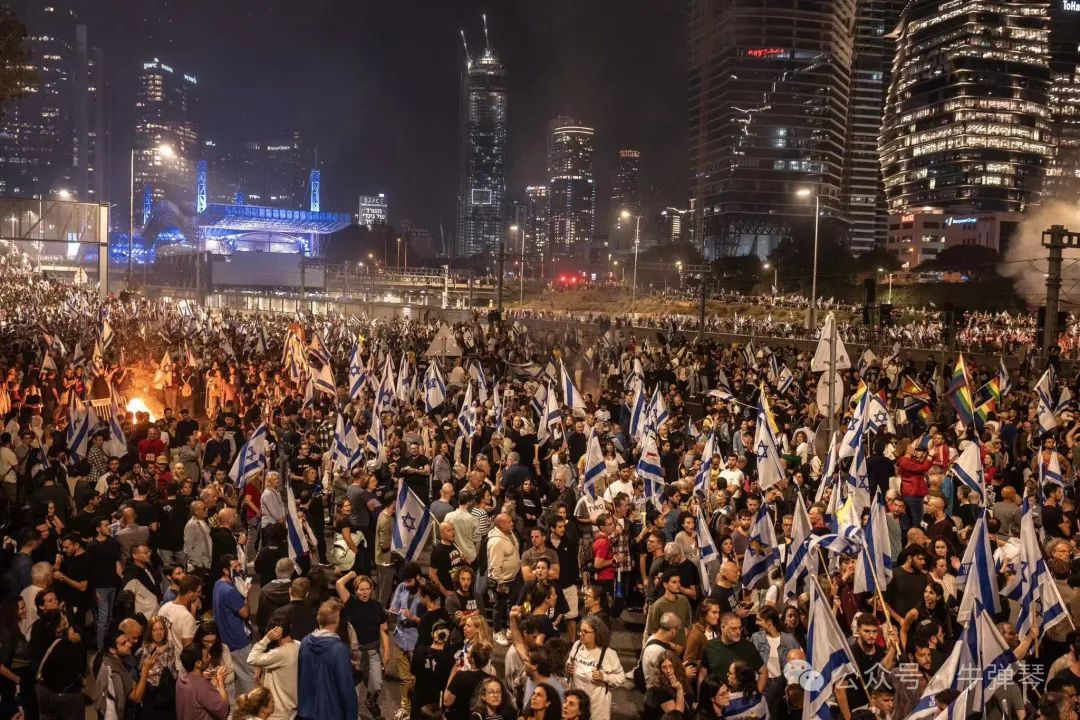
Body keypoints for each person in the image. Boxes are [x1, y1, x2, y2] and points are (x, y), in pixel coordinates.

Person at [335, 570, 391, 718]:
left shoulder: (377, 606)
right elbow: (339, 584)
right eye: (361, 589)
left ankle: (370, 701)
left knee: (376, 684)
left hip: (373, 651)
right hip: (355, 653)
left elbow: (383, 629)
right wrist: (351, 574)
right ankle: (351, 713)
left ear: (371, 590)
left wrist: (387, 650)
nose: (365, 592)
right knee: (353, 686)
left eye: (367, 589)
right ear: (356, 591)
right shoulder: (351, 603)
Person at [296, 599, 359, 720]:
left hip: (306, 712)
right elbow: (346, 689)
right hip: (331, 714)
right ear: (337, 620)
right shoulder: (339, 649)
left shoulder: (305, 642)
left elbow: (300, 677)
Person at [565, 616, 626, 720]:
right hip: (577, 708)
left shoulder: (609, 654)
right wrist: (568, 668)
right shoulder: (577, 646)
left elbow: (621, 678)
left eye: (585, 632)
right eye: (580, 631)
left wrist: (604, 677)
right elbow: (569, 663)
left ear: (596, 634)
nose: (581, 634)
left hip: (597, 710)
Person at [246, 615, 300, 720]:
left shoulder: (280, 653)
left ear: (275, 634)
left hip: (278, 712)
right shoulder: (299, 645)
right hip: (292, 708)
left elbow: (251, 658)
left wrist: (267, 638)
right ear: (290, 626)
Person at [390, 562, 425, 718]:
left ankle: (417, 707)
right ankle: (406, 707)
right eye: (405, 580)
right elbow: (394, 607)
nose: (406, 584)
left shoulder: (427, 592)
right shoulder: (402, 587)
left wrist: (413, 618)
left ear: (417, 577)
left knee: (416, 678)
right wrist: (394, 612)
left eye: (409, 581)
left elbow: (430, 620)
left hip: (416, 641)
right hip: (400, 638)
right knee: (404, 678)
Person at [410, 619, 456, 720]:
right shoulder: (449, 658)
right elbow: (448, 685)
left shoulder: (420, 651)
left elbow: (413, 677)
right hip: (435, 706)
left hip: (418, 700)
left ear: (432, 634)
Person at [175, 643, 230, 720]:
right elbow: (223, 710)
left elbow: (198, 696)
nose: (210, 656)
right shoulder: (201, 685)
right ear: (198, 663)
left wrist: (213, 681)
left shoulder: (180, 679)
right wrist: (221, 682)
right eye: (207, 656)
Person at [442, 642, 495, 720]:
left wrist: (453, 673)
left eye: (468, 653)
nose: (466, 655)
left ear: (472, 660)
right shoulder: (490, 679)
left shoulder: (461, 676)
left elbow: (447, 701)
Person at [641, 650, 687, 720]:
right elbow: (677, 715)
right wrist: (679, 689)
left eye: (671, 666)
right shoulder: (658, 690)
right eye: (664, 667)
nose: (668, 670)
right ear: (659, 669)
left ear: (676, 666)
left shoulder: (679, 680)